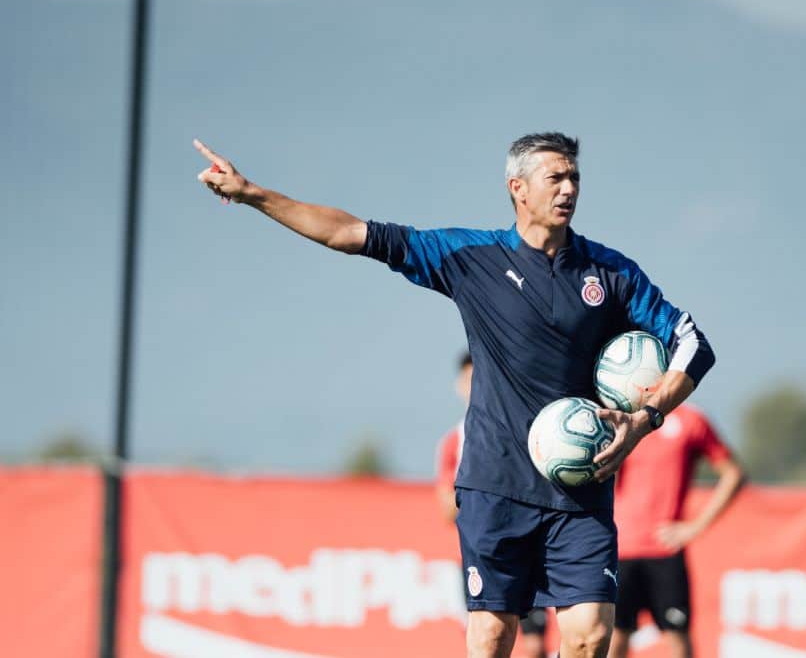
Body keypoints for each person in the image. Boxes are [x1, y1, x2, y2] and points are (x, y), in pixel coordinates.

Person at [194, 132, 715, 658]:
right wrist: (252, 193)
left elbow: (694, 343)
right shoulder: (472, 257)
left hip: (580, 491)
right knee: (492, 638)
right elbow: (349, 233)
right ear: (518, 188)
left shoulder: (612, 273)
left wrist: (646, 417)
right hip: (496, 486)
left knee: (590, 636)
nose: (568, 188)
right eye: (555, 177)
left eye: (574, 177)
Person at [607, 405, 745, 658]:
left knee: (677, 639)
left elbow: (733, 474)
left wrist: (695, 527)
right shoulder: (617, 417)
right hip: (619, 549)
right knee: (614, 639)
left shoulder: (690, 421)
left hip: (665, 550)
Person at [437, 352, 549, 658]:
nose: (474, 386)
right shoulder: (455, 441)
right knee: (488, 637)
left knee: (536, 644)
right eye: (467, 379)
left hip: (529, 545)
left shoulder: (532, 429)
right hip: (484, 550)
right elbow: (447, 509)